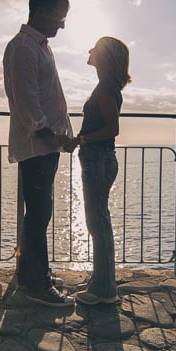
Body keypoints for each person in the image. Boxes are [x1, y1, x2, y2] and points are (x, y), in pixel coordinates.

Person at [3, 0, 74, 307]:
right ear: (42, 12)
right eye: (60, 17)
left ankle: (31, 273)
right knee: (38, 214)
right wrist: (52, 136)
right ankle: (37, 286)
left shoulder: (39, 46)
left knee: (39, 213)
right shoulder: (23, 48)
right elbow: (27, 101)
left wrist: (58, 137)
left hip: (45, 145)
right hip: (37, 146)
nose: (62, 25)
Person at [68, 37, 131, 305]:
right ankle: (101, 281)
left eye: (95, 47)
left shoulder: (105, 87)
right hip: (100, 158)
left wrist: (81, 140)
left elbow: (111, 129)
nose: (89, 50)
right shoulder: (107, 85)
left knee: (98, 223)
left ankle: (104, 290)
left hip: (98, 158)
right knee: (99, 222)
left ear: (104, 56)